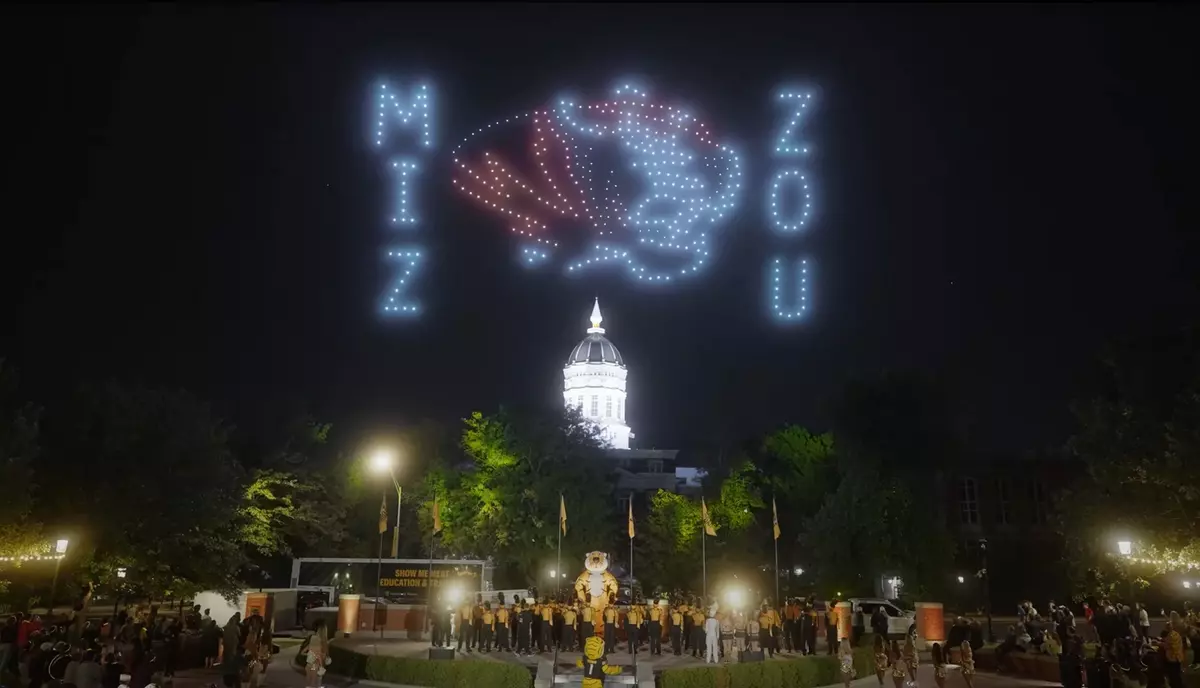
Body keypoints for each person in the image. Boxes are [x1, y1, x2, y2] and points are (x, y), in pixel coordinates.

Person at [302, 618, 328, 688]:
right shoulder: (323, 641)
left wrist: (310, 655)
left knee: (309, 684)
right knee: (316, 684)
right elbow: (322, 656)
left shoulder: (313, 638)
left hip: (309, 665)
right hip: (316, 665)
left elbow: (304, 652)